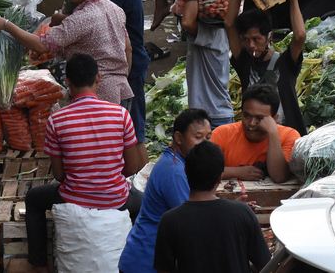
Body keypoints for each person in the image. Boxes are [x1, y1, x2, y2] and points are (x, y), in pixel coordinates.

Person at [22, 53, 146, 273]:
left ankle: (40, 266)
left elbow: (60, 175)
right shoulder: (120, 114)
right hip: (116, 198)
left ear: (67, 81)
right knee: (144, 205)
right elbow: (132, 167)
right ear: (99, 77)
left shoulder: (57, 120)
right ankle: (138, 261)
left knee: (33, 199)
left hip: (75, 198)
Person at [0, 0, 133, 106]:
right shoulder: (115, 9)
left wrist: (6, 25)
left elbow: (41, 45)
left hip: (99, 94)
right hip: (122, 89)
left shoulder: (82, 18)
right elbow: (128, 48)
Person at [153, 141, 272, 273]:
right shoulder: (242, 213)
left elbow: (164, 270)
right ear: (220, 177)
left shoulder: (170, 220)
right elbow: (266, 265)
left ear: (186, 172)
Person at [119, 109, 213, 273]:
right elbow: (194, 220)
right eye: (198, 138)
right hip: (146, 262)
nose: (204, 144)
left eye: (208, 138)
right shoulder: (173, 171)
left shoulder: (177, 163)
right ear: (178, 138)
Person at [82, 0, 149, 140]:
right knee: (131, 120)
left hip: (130, 60)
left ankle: (134, 169)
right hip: (130, 57)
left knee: (132, 126)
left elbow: (101, 19)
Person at [226, 0, 306, 134]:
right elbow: (229, 24)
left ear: (269, 36)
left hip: (287, 133)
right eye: (246, 40)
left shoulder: (285, 62)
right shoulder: (244, 62)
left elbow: (299, 35)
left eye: (256, 39)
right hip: (255, 134)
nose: (251, 45)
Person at [176, 0, 235, 128]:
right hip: (207, 115)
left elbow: (187, 22)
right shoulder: (214, 30)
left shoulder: (213, 34)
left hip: (215, 117)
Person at [210, 84, 300, 182]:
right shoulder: (222, 133)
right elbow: (202, 170)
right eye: (246, 116)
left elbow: (279, 176)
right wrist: (235, 172)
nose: (252, 123)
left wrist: (273, 133)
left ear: (274, 119)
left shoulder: (289, 135)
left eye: (260, 118)